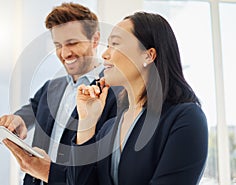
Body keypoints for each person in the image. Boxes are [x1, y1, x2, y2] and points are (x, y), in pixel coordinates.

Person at [69, 11, 208, 185]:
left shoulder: (185, 118)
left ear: (148, 55)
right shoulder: (109, 127)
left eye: (115, 44)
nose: (104, 54)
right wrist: (86, 123)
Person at [0, 3, 120, 185]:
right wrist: (17, 121)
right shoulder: (51, 87)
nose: (64, 53)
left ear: (95, 40)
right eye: (58, 45)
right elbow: (31, 110)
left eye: (72, 43)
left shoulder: (113, 90)